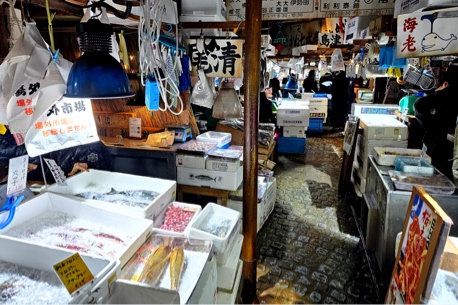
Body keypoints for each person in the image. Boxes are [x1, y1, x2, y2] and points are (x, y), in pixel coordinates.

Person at [414, 58, 458, 180]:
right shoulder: (444, 94)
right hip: (447, 150)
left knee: (436, 182)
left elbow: (419, 107)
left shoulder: (442, 94)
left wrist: (437, 92)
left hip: (437, 149)